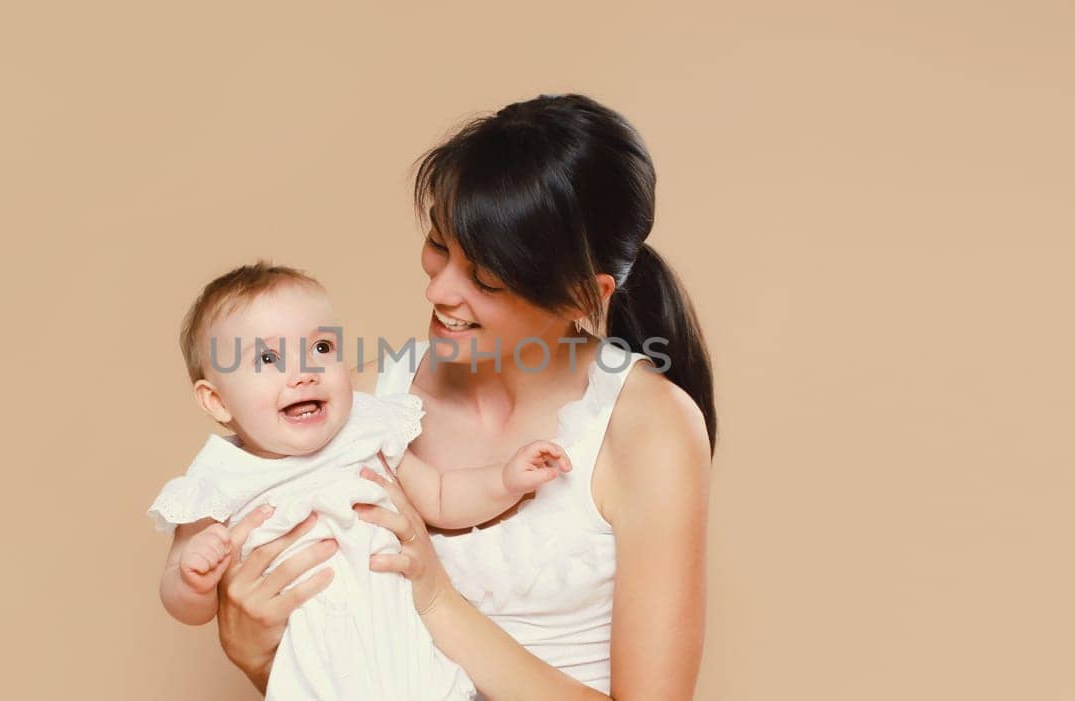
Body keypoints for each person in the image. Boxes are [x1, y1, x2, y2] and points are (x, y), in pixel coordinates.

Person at [209, 93, 717, 699]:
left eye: (485, 279)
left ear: (584, 295)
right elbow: (330, 661)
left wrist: (436, 599)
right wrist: (251, 650)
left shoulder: (648, 428)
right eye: (439, 245)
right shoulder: (363, 401)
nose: (440, 292)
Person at [150, 262, 576, 699]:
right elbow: (182, 600)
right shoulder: (220, 477)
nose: (303, 373)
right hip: (317, 679)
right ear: (217, 401)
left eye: (319, 347)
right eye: (267, 358)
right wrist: (192, 578)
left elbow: (441, 498)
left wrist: (506, 481)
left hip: (409, 657)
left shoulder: (366, 430)